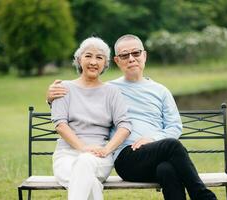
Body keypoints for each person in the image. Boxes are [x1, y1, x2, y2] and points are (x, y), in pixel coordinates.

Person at [47, 34, 217, 200]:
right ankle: (203, 196)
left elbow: (174, 126)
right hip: (127, 156)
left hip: (156, 153)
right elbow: (85, 95)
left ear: (144, 55)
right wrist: (50, 98)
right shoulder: (110, 89)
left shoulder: (161, 91)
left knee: (167, 170)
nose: (131, 59)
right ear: (116, 61)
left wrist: (152, 139)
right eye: (124, 55)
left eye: (136, 53)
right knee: (172, 145)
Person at [50, 36, 131, 200]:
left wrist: (107, 150)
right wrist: (83, 148)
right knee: (90, 182)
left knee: (86, 162)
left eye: (99, 57)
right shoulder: (63, 88)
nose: (93, 62)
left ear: (105, 64)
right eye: (88, 56)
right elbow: (60, 125)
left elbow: (125, 126)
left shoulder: (112, 92)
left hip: (100, 157)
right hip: (66, 156)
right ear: (79, 60)